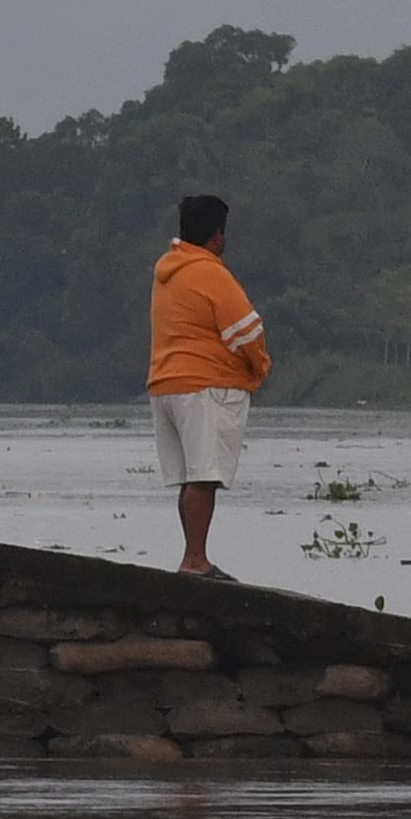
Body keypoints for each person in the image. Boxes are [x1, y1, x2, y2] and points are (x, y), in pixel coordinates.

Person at [148, 193, 267, 575]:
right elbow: (247, 331)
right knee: (204, 477)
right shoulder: (211, 273)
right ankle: (195, 560)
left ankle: (191, 557)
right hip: (205, 386)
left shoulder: (167, 273)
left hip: (165, 384)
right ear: (217, 236)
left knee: (190, 478)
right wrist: (259, 368)